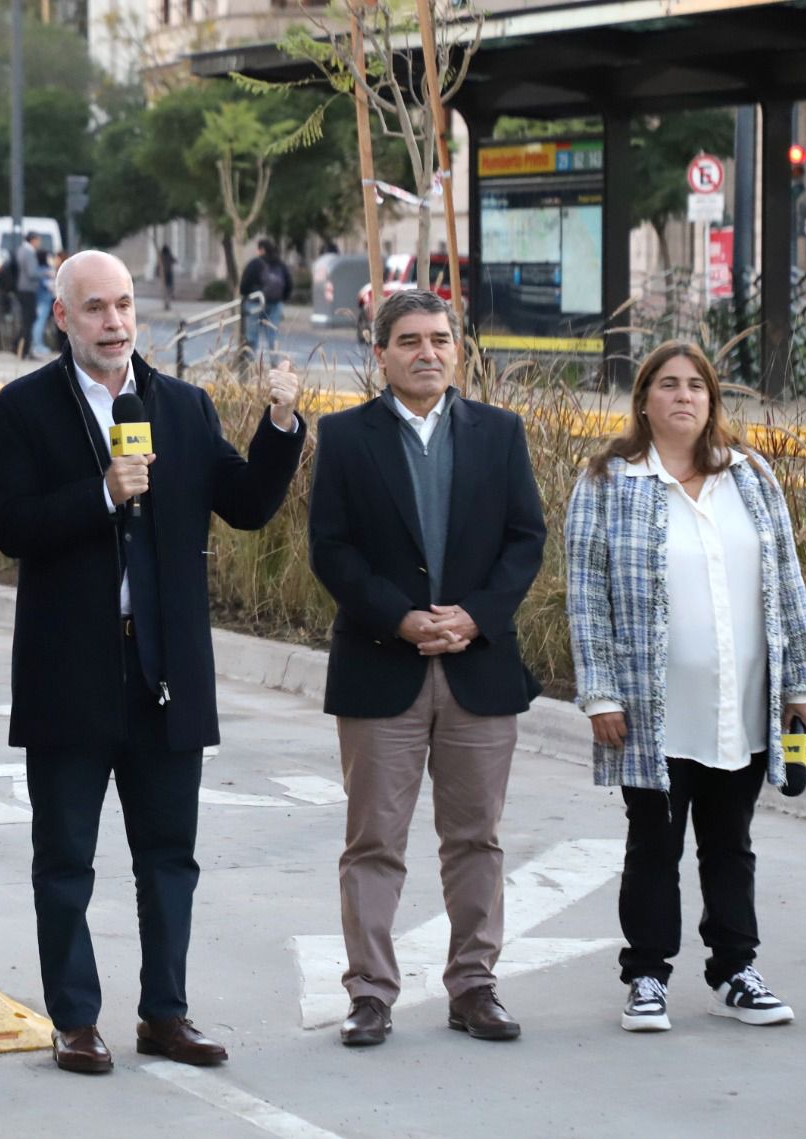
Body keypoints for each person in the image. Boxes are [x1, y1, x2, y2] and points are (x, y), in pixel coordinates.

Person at [0, 250, 305, 1074]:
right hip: (69, 671)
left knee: (169, 856)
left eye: (124, 305)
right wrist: (101, 494)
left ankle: (166, 1012)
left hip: (166, 673)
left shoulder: (183, 406)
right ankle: (75, 1018)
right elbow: (12, 527)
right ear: (62, 317)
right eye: (95, 308)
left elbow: (247, 505)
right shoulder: (24, 409)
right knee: (65, 858)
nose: (114, 322)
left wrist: (278, 427)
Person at [565, 340, 806, 1033]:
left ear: (712, 402)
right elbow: (587, 596)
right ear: (644, 400)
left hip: (738, 702)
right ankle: (646, 977)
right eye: (669, 384)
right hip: (649, 708)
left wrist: (804, 679)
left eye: (697, 386)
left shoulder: (752, 477)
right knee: (654, 841)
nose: (684, 396)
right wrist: (600, 692)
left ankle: (735, 970)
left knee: (730, 840)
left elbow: (787, 583)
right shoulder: (606, 481)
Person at [308, 289, 545, 1048]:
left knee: (476, 837)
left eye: (441, 338)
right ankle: (370, 993)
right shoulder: (345, 437)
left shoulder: (499, 433)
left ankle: (474, 986)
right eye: (409, 340)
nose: (428, 352)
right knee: (374, 839)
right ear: (380, 353)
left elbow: (525, 539)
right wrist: (402, 618)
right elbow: (332, 549)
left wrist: (475, 615)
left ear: (458, 348)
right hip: (384, 664)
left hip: (478, 664)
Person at [238, 238, 291, 356]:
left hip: (255, 304)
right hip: (275, 303)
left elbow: (244, 285)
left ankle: (250, 365)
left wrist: (247, 295)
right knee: (273, 336)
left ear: (261, 249)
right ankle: (275, 364)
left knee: (252, 337)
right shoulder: (280, 264)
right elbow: (288, 283)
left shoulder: (255, 264)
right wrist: (282, 298)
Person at [15, 231, 43, 359]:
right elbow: (32, 273)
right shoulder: (29, 252)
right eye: (38, 240)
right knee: (30, 319)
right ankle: (25, 350)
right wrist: (44, 274)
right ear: (33, 240)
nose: (39, 243)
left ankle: (17, 345)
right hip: (28, 289)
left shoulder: (21, 250)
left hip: (21, 288)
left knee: (26, 319)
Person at [29, 246, 54, 356]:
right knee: (39, 323)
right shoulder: (45, 271)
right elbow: (49, 285)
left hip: (39, 299)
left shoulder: (37, 269)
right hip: (43, 300)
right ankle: (37, 345)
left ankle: (37, 344)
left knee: (38, 323)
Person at [158, 243, 177, 310]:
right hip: (168, 273)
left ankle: (167, 303)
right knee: (169, 288)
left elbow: (158, 265)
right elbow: (175, 261)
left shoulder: (161, 256)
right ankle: (168, 301)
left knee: (166, 289)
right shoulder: (168, 255)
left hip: (164, 274)